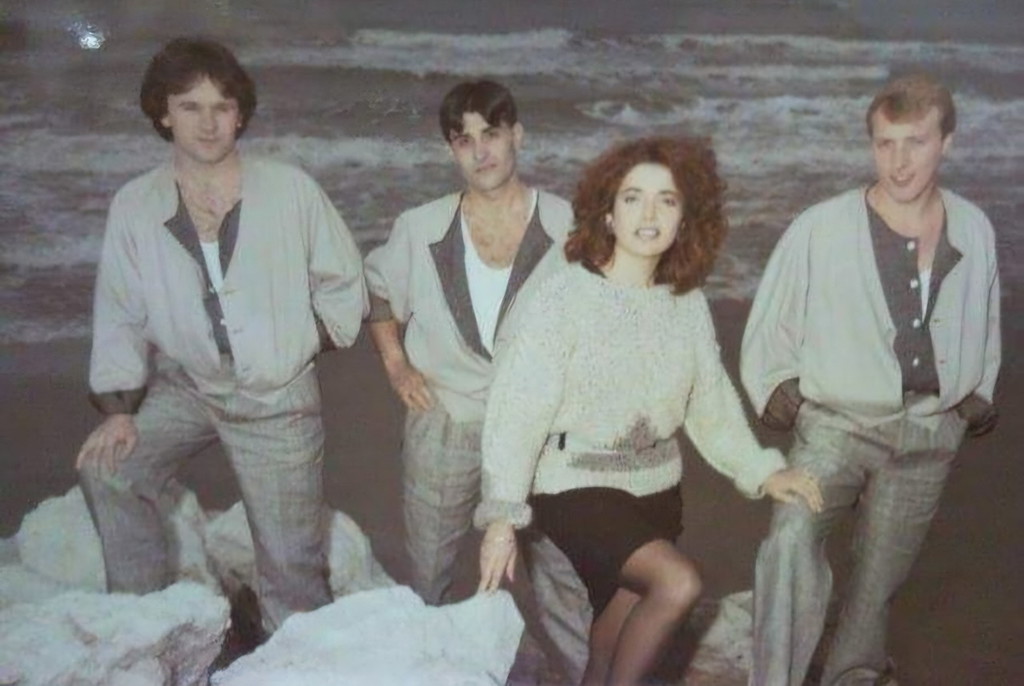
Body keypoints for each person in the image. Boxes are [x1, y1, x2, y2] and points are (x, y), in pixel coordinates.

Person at [476, 136, 823, 686]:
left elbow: (710, 402)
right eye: (633, 198)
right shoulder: (563, 298)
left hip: (657, 492)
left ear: (685, 219)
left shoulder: (686, 304)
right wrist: (501, 513)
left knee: (612, 639)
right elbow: (519, 409)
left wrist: (762, 470)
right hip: (575, 486)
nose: (649, 214)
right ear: (607, 214)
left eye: (667, 200)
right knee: (677, 583)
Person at [75, 37, 367, 635]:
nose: (207, 124)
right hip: (189, 385)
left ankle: (297, 661)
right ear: (163, 113)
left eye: (222, 107)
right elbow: (120, 311)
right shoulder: (135, 204)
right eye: (190, 106)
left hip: (275, 396)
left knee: (291, 573)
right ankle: (144, 629)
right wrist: (119, 409)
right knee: (109, 469)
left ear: (240, 114)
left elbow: (345, 287)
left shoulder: (291, 189)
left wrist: (296, 344)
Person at [741, 73, 1001, 685]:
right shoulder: (822, 226)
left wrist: (977, 391)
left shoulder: (974, 227)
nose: (899, 161)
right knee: (790, 538)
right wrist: (778, 389)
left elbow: (985, 314)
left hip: (928, 432)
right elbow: (772, 315)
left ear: (947, 143)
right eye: (885, 144)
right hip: (837, 426)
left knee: (880, 578)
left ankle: (852, 674)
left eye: (915, 142)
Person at [363, 79, 592, 683]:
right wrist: (396, 365)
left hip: (543, 432)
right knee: (431, 572)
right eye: (464, 140)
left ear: (517, 135)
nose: (480, 151)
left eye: (491, 134)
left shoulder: (568, 226)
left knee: (564, 577)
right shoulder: (420, 227)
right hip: (447, 416)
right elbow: (377, 292)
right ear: (451, 150)